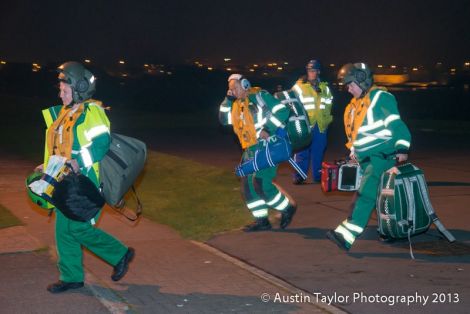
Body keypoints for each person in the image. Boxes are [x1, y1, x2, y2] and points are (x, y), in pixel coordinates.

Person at [41, 61, 134, 293]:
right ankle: (72, 276)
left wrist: (78, 161)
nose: (60, 94)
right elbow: (57, 147)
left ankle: (120, 253)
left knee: (78, 229)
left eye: (65, 89)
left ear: (80, 88)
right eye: (60, 89)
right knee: (63, 230)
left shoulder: (93, 111)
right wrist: (45, 167)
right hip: (64, 181)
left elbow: (102, 144)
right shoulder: (63, 114)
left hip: (85, 182)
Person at [326, 62, 411, 251]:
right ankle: (392, 232)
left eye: (350, 85)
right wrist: (353, 154)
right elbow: (357, 136)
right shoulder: (354, 106)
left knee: (365, 195)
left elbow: (396, 125)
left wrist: (402, 148)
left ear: (361, 80)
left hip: (381, 158)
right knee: (381, 198)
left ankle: (346, 236)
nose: (348, 89)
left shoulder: (381, 98)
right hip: (366, 160)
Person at [219, 74, 297, 231]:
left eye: (235, 88)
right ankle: (262, 221)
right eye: (230, 89)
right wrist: (228, 100)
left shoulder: (259, 96)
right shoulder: (236, 104)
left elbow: (282, 111)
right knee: (247, 186)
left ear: (245, 85)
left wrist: (268, 129)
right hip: (250, 149)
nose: (232, 91)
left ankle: (287, 207)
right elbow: (223, 119)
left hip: (267, 147)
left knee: (260, 183)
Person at [291, 60, 333, 184]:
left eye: (314, 71)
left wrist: (327, 120)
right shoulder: (299, 87)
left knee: (318, 152)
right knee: (301, 152)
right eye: (310, 70)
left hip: (320, 126)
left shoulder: (325, 88)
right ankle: (299, 176)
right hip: (305, 125)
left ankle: (318, 176)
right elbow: (291, 104)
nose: (312, 73)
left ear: (318, 72)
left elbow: (329, 104)